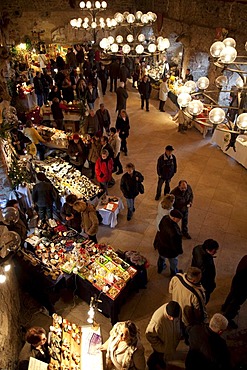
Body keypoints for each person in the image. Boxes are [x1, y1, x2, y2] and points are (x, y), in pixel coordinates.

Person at [146, 301, 182, 370]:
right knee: (158, 355)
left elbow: (179, 321)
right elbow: (149, 335)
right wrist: (161, 347)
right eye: (170, 317)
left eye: (174, 317)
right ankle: (152, 364)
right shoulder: (158, 320)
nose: (172, 319)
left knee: (162, 355)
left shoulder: (177, 310)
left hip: (169, 341)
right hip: (162, 345)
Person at [154, 209, 183, 276]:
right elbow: (176, 244)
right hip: (170, 251)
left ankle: (160, 268)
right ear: (174, 218)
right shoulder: (175, 232)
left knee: (161, 258)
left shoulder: (165, 218)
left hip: (161, 245)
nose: (179, 221)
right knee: (173, 262)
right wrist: (179, 251)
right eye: (178, 219)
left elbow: (160, 228)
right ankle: (174, 273)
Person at [221, 255, 247, 329]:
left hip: (236, 282)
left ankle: (224, 307)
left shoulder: (245, 257)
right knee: (235, 305)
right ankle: (228, 318)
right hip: (242, 289)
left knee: (231, 295)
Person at [192, 239, 219, 304]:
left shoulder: (197, 248)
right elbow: (205, 275)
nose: (215, 252)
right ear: (207, 250)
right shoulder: (205, 262)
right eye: (214, 250)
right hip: (205, 282)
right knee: (206, 295)